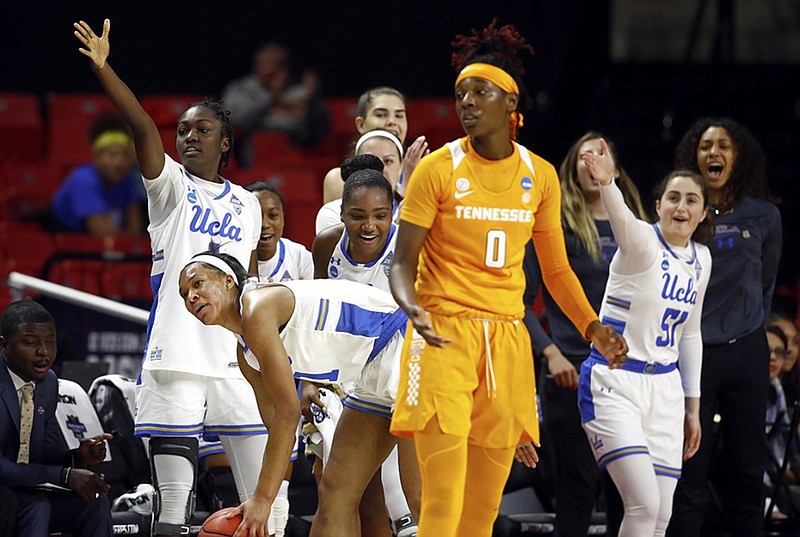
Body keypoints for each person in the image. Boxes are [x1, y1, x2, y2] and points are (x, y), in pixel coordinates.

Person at [387, 20, 628, 537]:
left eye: (481, 92)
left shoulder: (539, 175)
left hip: (507, 343)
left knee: (481, 514)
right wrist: (412, 307)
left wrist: (592, 328)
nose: (467, 103)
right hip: (442, 336)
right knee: (443, 502)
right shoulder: (437, 169)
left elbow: (558, 271)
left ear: (511, 105)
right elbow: (402, 262)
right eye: (461, 94)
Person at [73, 19, 275, 537]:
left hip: (234, 359)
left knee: (266, 504)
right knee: (172, 509)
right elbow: (142, 126)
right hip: (177, 353)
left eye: (202, 130)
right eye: (183, 130)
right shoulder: (169, 189)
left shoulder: (249, 205)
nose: (188, 137)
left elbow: (249, 284)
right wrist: (103, 67)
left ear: (225, 142)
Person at [177, 252, 420, 537]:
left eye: (198, 283)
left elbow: (287, 414)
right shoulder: (245, 355)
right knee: (336, 489)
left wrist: (263, 500)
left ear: (228, 281)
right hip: (368, 373)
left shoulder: (257, 306)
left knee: (418, 495)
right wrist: (262, 498)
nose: (191, 297)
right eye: (184, 294)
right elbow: (279, 430)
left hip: (406, 345)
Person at [580, 137, 714, 533]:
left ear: (704, 212)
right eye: (673, 197)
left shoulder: (702, 260)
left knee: (662, 515)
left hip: (667, 390)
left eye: (692, 200)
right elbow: (620, 216)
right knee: (642, 503)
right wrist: (607, 184)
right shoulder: (641, 242)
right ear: (658, 206)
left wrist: (693, 406)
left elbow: (690, 334)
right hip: (615, 382)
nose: (681, 207)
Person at [523, 132, 648, 536]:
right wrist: (550, 352)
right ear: (572, 169)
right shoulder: (554, 225)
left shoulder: (636, 226)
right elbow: (518, 300)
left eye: (602, 153)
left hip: (628, 371)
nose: (593, 161)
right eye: (584, 155)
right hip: (571, 370)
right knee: (577, 492)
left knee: (628, 494)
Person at [667, 117, 783, 537]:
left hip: (745, 351)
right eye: (704, 145)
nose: (713, 152)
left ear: (739, 156)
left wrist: (751, 327)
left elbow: (766, 286)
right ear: (692, 157)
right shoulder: (682, 213)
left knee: (747, 470)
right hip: (692, 357)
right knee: (688, 472)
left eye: (724, 146)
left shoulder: (765, 215)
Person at [311, 169, 417, 537]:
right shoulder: (327, 246)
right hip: (365, 379)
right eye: (358, 215)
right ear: (341, 213)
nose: (369, 225)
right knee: (335, 490)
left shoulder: (412, 243)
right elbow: (319, 316)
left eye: (380, 214)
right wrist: (312, 379)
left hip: (413, 376)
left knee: (420, 499)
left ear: (393, 213)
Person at [0, 300, 113, 537]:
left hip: (23, 489)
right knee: (36, 506)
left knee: (94, 503)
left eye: (50, 342)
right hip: (8, 491)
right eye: (31, 343)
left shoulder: (48, 383)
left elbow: (38, 455)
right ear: (4, 346)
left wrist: (77, 457)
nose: (44, 352)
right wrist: (65, 476)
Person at [220, 42, 331, 166]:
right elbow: (233, 120)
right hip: (253, 158)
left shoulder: (298, 91)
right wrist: (272, 98)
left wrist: (311, 101)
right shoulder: (239, 88)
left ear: (285, 69)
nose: (268, 70)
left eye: (274, 65)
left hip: (295, 154)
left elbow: (308, 125)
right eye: (263, 64)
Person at [321, 86, 428, 204]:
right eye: (381, 115)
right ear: (361, 124)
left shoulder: (421, 175)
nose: (392, 121)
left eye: (399, 115)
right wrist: (403, 192)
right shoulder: (338, 179)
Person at [50, 112, 145, 237]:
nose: (119, 162)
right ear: (97, 157)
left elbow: (136, 231)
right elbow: (105, 235)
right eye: (112, 155)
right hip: (66, 244)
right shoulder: (83, 181)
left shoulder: (127, 182)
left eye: (125, 156)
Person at [316, 129, 403, 233]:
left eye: (388, 161)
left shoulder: (414, 212)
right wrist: (400, 229)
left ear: (401, 166)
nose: (381, 169)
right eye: (371, 159)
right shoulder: (332, 212)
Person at [763, 323, 800, 520]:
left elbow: (789, 444)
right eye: (767, 351)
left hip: (777, 479)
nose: (773, 357)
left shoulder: (778, 390)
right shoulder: (745, 395)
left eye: (779, 351)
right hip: (760, 485)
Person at [245, 181, 313, 282]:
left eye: (273, 215)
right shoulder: (233, 256)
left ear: (283, 218)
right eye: (257, 216)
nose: (265, 224)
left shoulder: (300, 257)